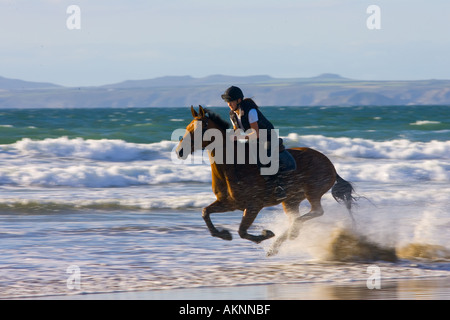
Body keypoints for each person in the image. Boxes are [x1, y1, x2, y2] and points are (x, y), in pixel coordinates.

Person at [221, 86, 286, 200]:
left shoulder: (251, 111)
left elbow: (256, 134)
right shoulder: (232, 114)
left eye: (231, 101)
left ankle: (279, 186)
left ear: (239, 100)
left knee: (264, 156)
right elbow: (237, 130)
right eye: (227, 102)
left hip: (267, 137)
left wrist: (240, 137)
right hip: (252, 139)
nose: (229, 104)